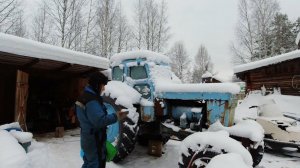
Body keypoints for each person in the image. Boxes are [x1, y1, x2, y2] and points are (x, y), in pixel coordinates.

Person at [75, 71, 127, 168]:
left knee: (88, 163)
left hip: (87, 137)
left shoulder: (84, 96)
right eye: (102, 85)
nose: (103, 88)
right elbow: (99, 121)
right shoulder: (91, 100)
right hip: (94, 140)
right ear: (97, 84)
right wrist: (116, 116)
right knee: (96, 164)